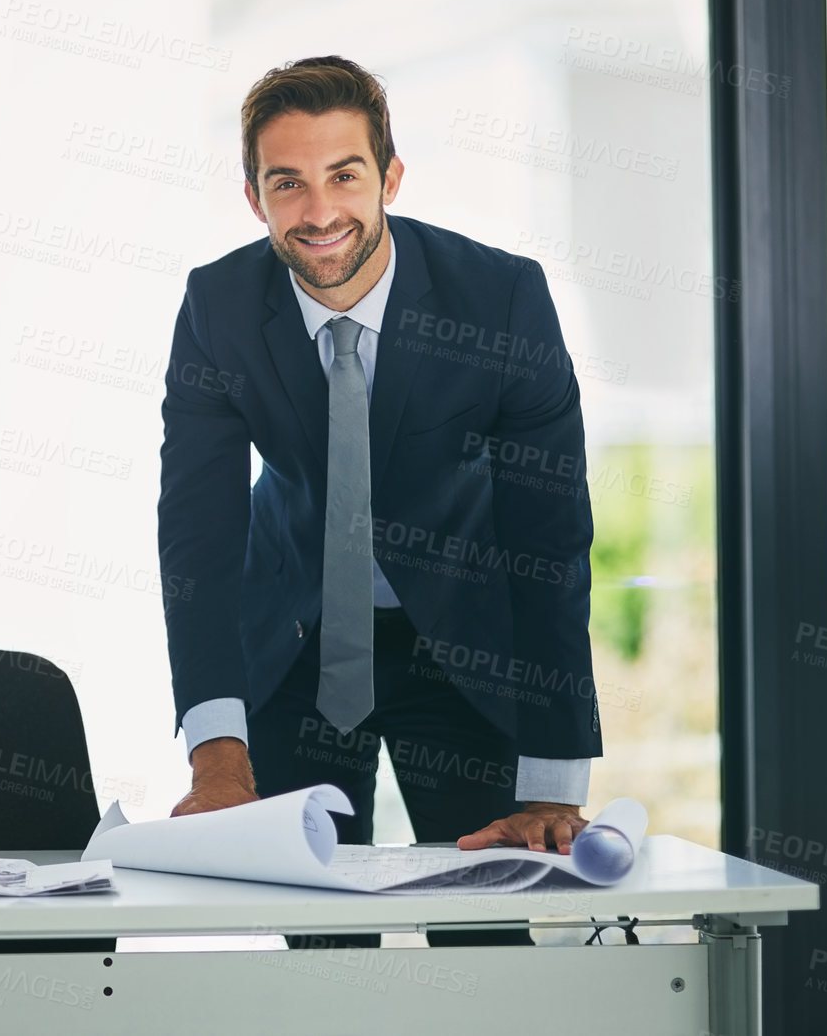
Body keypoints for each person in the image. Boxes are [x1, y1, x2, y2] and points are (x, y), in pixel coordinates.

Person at [157, 58, 604, 937]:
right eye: (287, 183)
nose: (318, 212)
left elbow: (547, 538)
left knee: (487, 933)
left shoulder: (500, 300)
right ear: (254, 197)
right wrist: (216, 752)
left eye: (344, 175)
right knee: (315, 935)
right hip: (296, 641)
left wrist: (551, 786)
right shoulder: (218, 303)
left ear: (389, 177)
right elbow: (197, 534)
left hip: (463, 647)